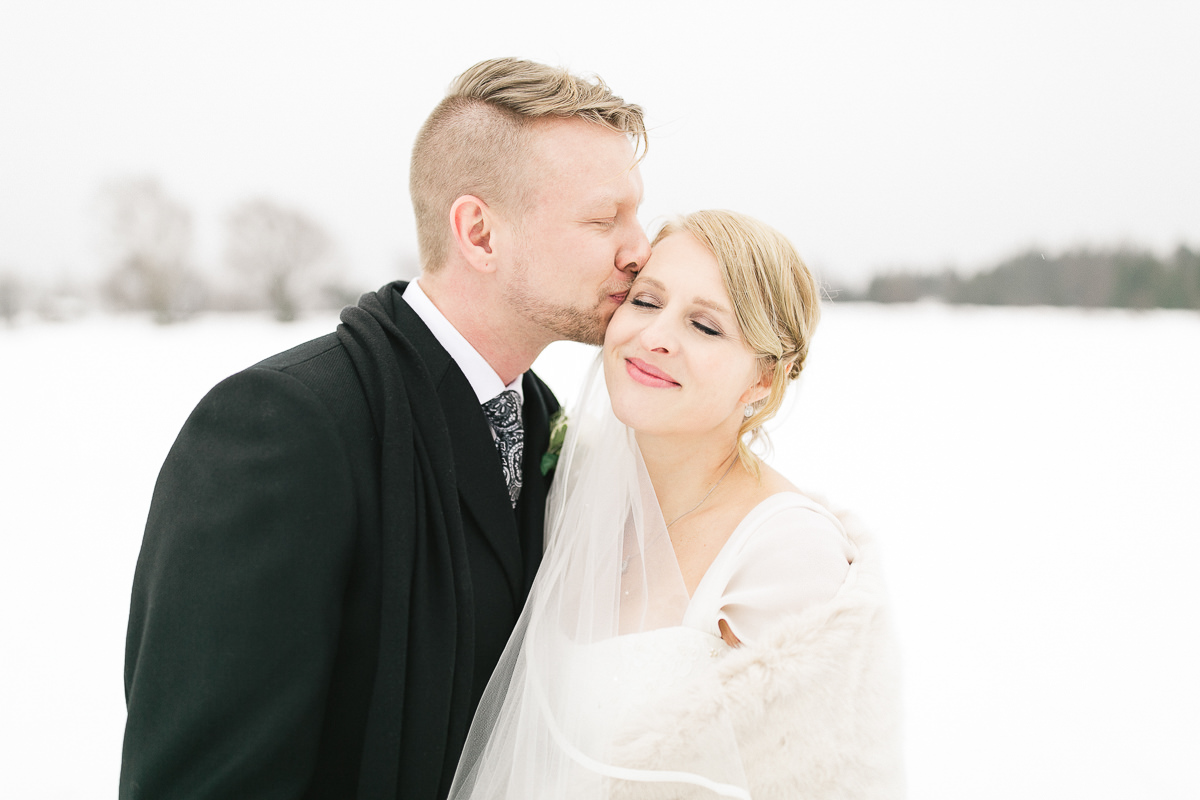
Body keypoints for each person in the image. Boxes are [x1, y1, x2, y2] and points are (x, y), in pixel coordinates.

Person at [119, 58, 651, 800]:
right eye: (603, 220)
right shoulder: (279, 428)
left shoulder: (544, 424)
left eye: (636, 214)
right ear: (479, 233)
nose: (640, 248)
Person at [449, 210, 904, 799]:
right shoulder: (572, 491)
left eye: (705, 326)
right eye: (645, 302)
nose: (656, 336)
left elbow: (823, 778)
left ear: (765, 379)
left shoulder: (785, 551)